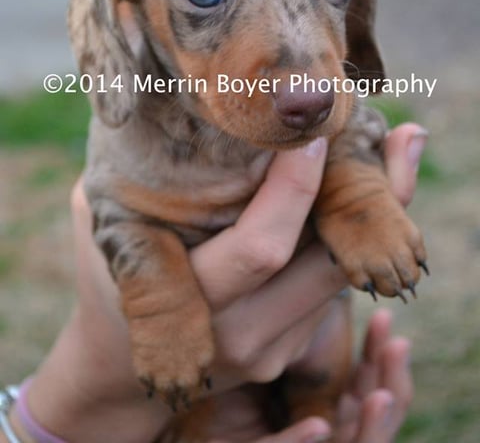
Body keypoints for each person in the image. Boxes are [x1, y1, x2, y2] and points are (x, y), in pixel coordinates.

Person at [1, 124, 427, 443]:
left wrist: (356, 201)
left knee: (317, 409)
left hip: (316, 350)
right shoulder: (143, 128)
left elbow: (351, 131)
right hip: (182, 394)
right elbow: (127, 212)